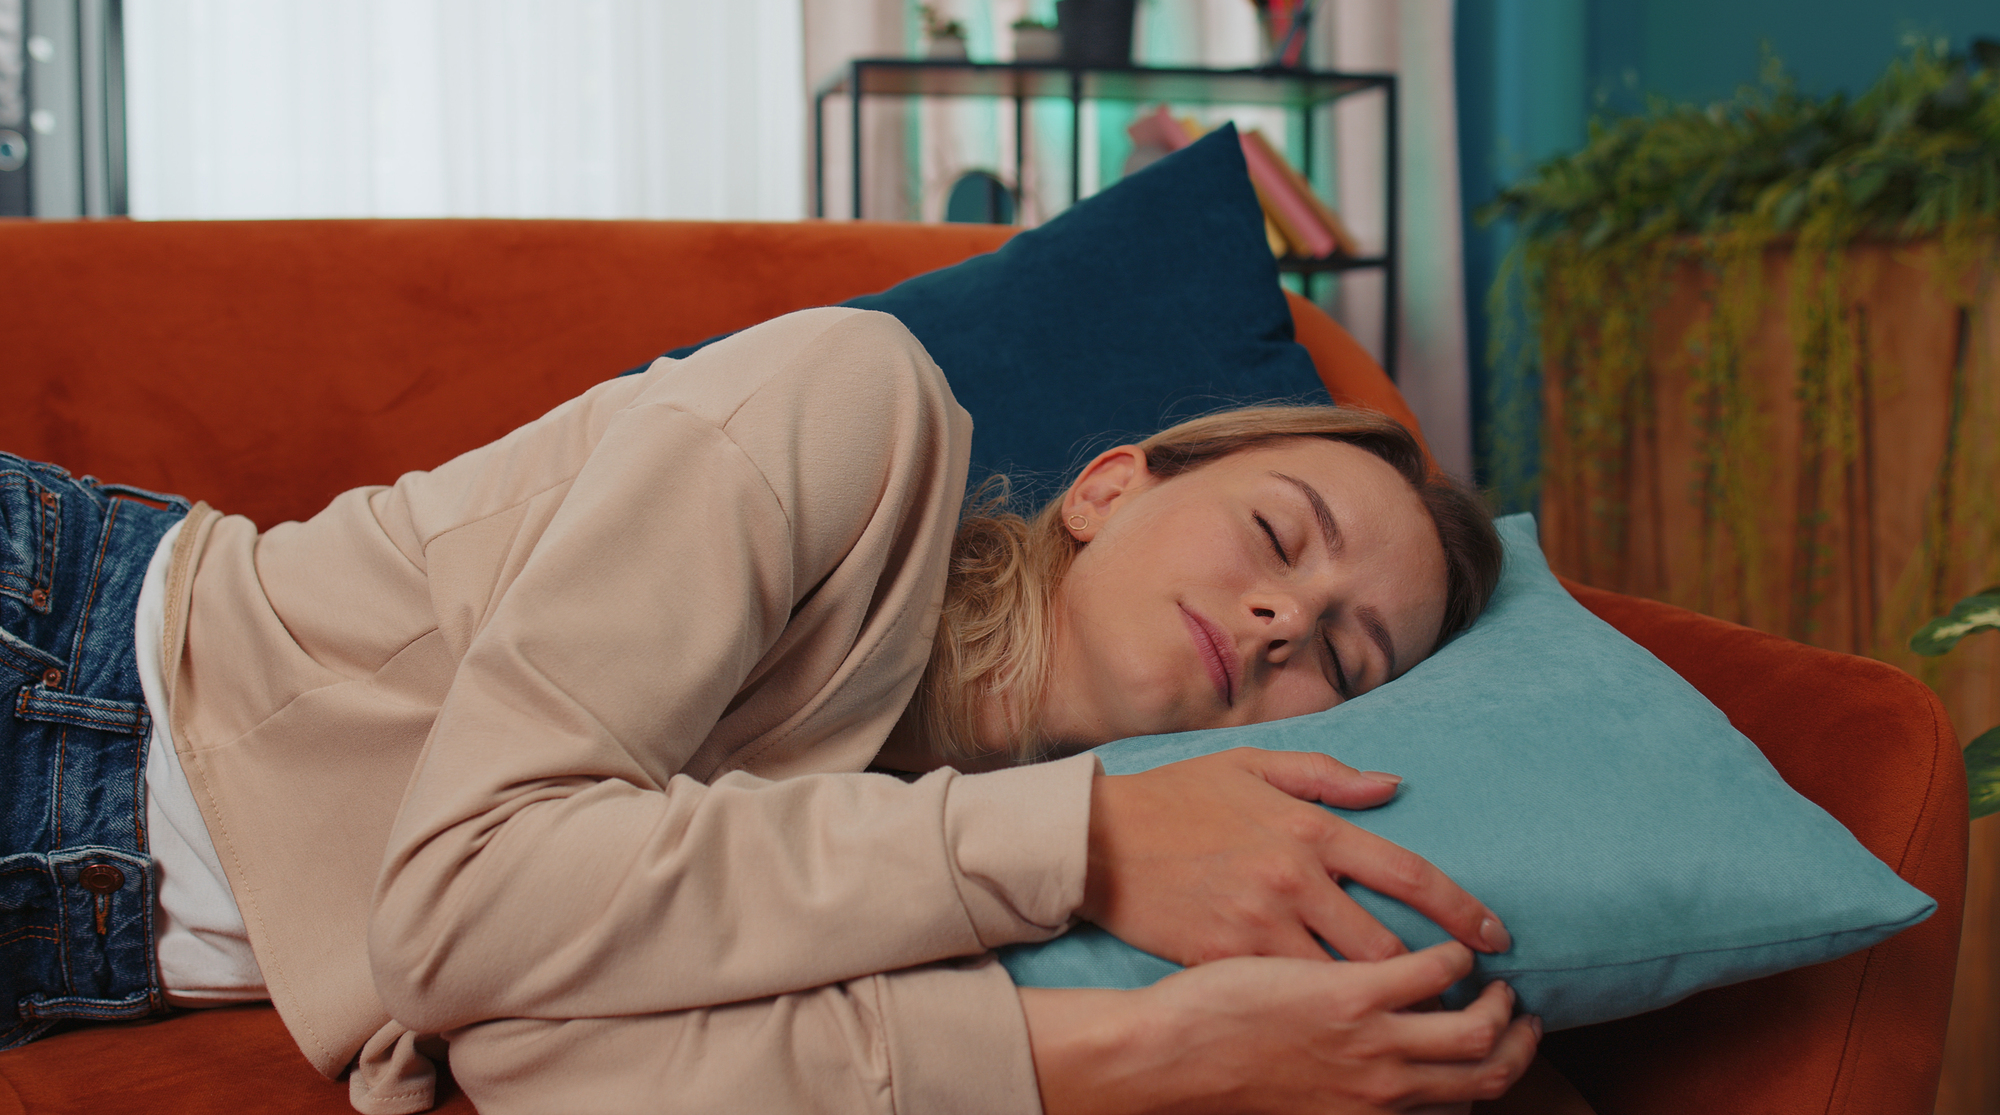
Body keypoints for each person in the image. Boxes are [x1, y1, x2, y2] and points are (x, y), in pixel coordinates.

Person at [1, 307, 1531, 1114]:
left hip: (70, 938)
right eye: (1278, 538)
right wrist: (1089, 837)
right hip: (70, 671)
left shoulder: (975, 871)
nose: (1283, 622)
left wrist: (1152, 1050)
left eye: (1345, 654)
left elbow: (540, 1057)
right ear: (1110, 484)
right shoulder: (852, 413)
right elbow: (460, 908)